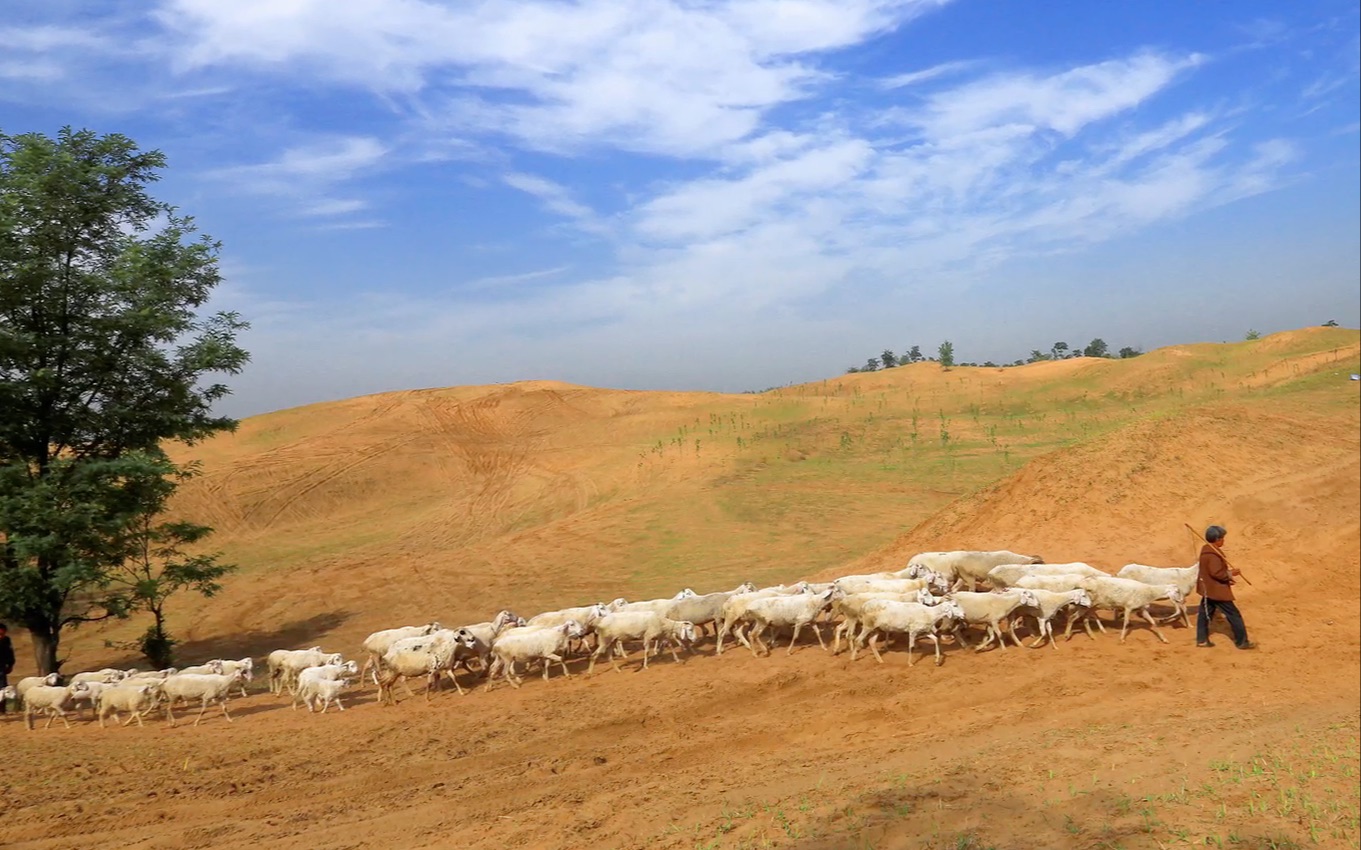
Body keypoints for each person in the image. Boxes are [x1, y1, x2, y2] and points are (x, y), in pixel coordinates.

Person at [1195, 526, 1256, 650]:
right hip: (1217, 591)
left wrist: (1228, 577)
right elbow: (1216, 572)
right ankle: (1242, 642)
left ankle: (1202, 640)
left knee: (1204, 614)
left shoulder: (1206, 551)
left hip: (1208, 589)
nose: (1223, 541)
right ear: (1217, 539)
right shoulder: (1213, 555)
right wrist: (1229, 574)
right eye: (1222, 538)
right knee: (1234, 615)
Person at [0, 623, 14, 713]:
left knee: (3, 689)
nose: (1, 636)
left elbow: (10, 653)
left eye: (2, 634)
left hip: (2, 668)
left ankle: (2, 710)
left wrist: (10, 665)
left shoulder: (6, 640)